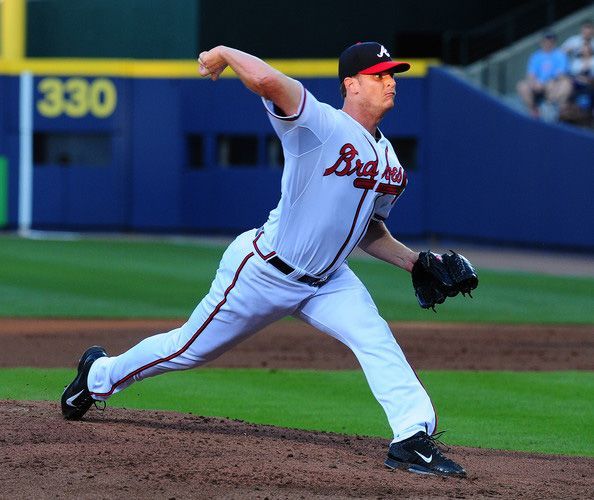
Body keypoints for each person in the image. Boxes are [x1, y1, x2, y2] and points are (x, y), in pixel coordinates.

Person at [61, 42, 467, 477]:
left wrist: (415, 263)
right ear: (350, 84)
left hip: (330, 281)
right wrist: (223, 52)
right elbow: (266, 81)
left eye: (392, 74)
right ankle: (97, 376)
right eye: (378, 74)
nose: (390, 81)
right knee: (187, 349)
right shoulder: (318, 124)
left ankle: (411, 438)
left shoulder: (390, 162)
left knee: (377, 341)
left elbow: (369, 230)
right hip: (264, 271)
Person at [517, 32, 568, 118]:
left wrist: (545, 82)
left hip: (552, 82)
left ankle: (550, 110)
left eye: (550, 41)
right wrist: (534, 82)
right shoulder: (536, 56)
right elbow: (531, 74)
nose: (548, 43)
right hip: (537, 83)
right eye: (546, 41)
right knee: (522, 86)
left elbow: (561, 74)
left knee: (555, 84)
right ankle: (533, 111)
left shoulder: (560, 55)